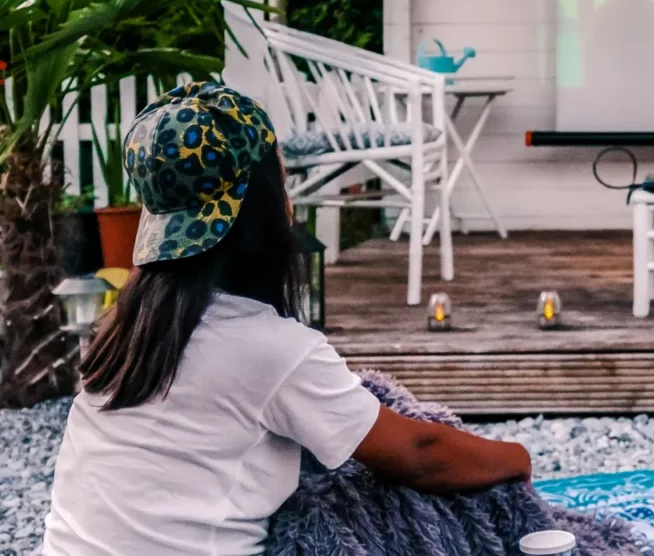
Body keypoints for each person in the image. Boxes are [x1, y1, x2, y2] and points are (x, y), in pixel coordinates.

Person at [43, 83, 532, 555]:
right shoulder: (267, 346)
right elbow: (422, 454)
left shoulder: (126, 325)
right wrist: (516, 457)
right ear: (264, 207)